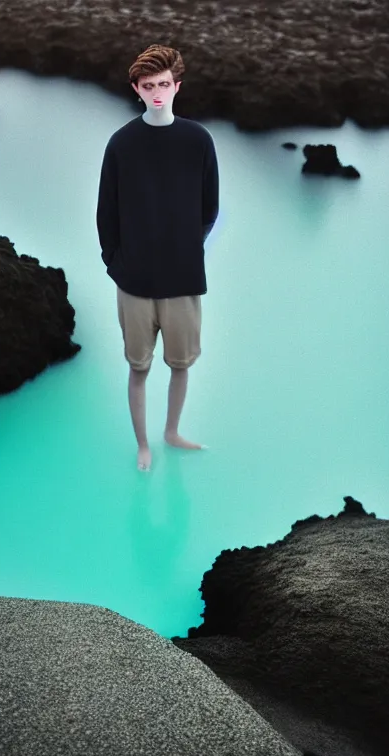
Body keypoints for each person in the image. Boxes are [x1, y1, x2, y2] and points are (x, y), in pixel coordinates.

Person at [96, 44, 219, 471]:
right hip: (134, 283)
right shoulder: (121, 144)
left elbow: (210, 208)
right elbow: (105, 213)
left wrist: (185, 247)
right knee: (139, 367)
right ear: (137, 89)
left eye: (164, 84)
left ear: (177, 85)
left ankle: (171, 432)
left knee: (181, 364)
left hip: (183, 280)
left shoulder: (198, 141)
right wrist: (117, 265)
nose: (158, 93)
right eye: (149, 86)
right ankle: (143, 444)